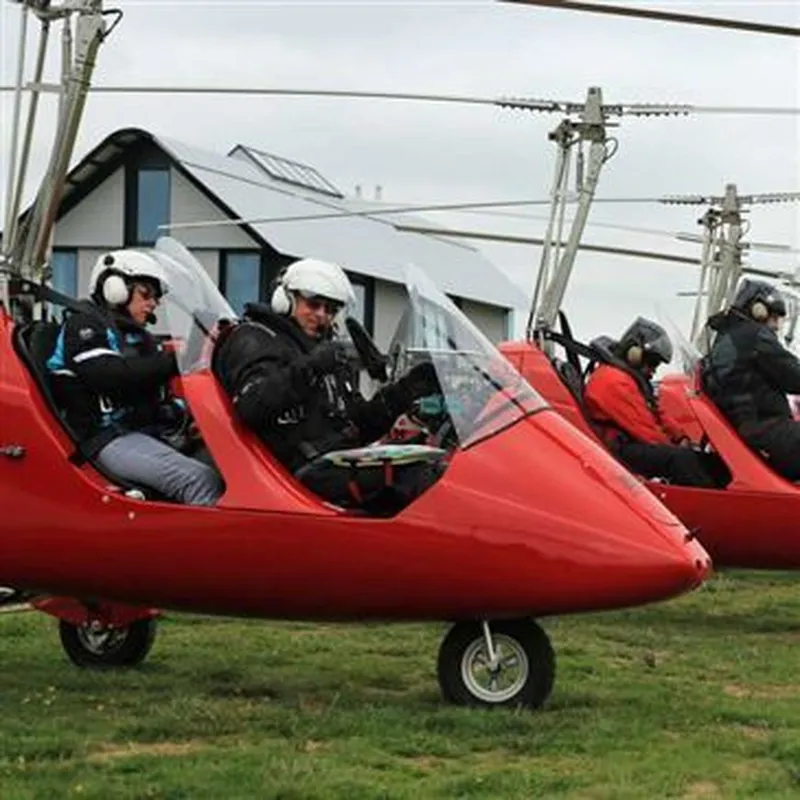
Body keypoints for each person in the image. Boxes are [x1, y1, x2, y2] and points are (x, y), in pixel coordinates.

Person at [212, 257, 442, 510]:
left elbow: (358, 424)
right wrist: (312, 367)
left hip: (335, 462)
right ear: (286, 299)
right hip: (292, 475)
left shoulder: (326, 352)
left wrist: (405, 391)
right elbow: (251, 406)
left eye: (330, 309)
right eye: (313, 304)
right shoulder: (256, 339)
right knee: (417, 478)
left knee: (437, 466)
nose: (321, 315)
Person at [46, 249, 223, 506]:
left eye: (156, 297)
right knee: (199, 481)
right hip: (105, 438)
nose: (153, 303)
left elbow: (152, 390)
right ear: (114, 287)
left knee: (220, 463)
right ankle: (210, 546)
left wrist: (191, 417)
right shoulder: (84, 327)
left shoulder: (135, 337)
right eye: (146, 293)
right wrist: (176, 361)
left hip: (138, 432)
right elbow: (109, 376)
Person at [583, 317, 720, 488]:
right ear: (634, 354)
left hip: (631, 442)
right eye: (653, 363)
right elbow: (644, 429)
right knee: (679, 460)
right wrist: (674, 448)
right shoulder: (614, 381)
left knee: (700, 459)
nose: (654, 371)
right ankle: (707, 501)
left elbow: (656, 412)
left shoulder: (631, 379)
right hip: (619, 449)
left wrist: (681, 437)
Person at [702, 278, 800, 480]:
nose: (776, 326)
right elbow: (793, 376)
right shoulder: (754, 335)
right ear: (758, 309)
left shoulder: (728, 336)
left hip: (749, 427)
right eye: (774, 317)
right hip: (763, 428)